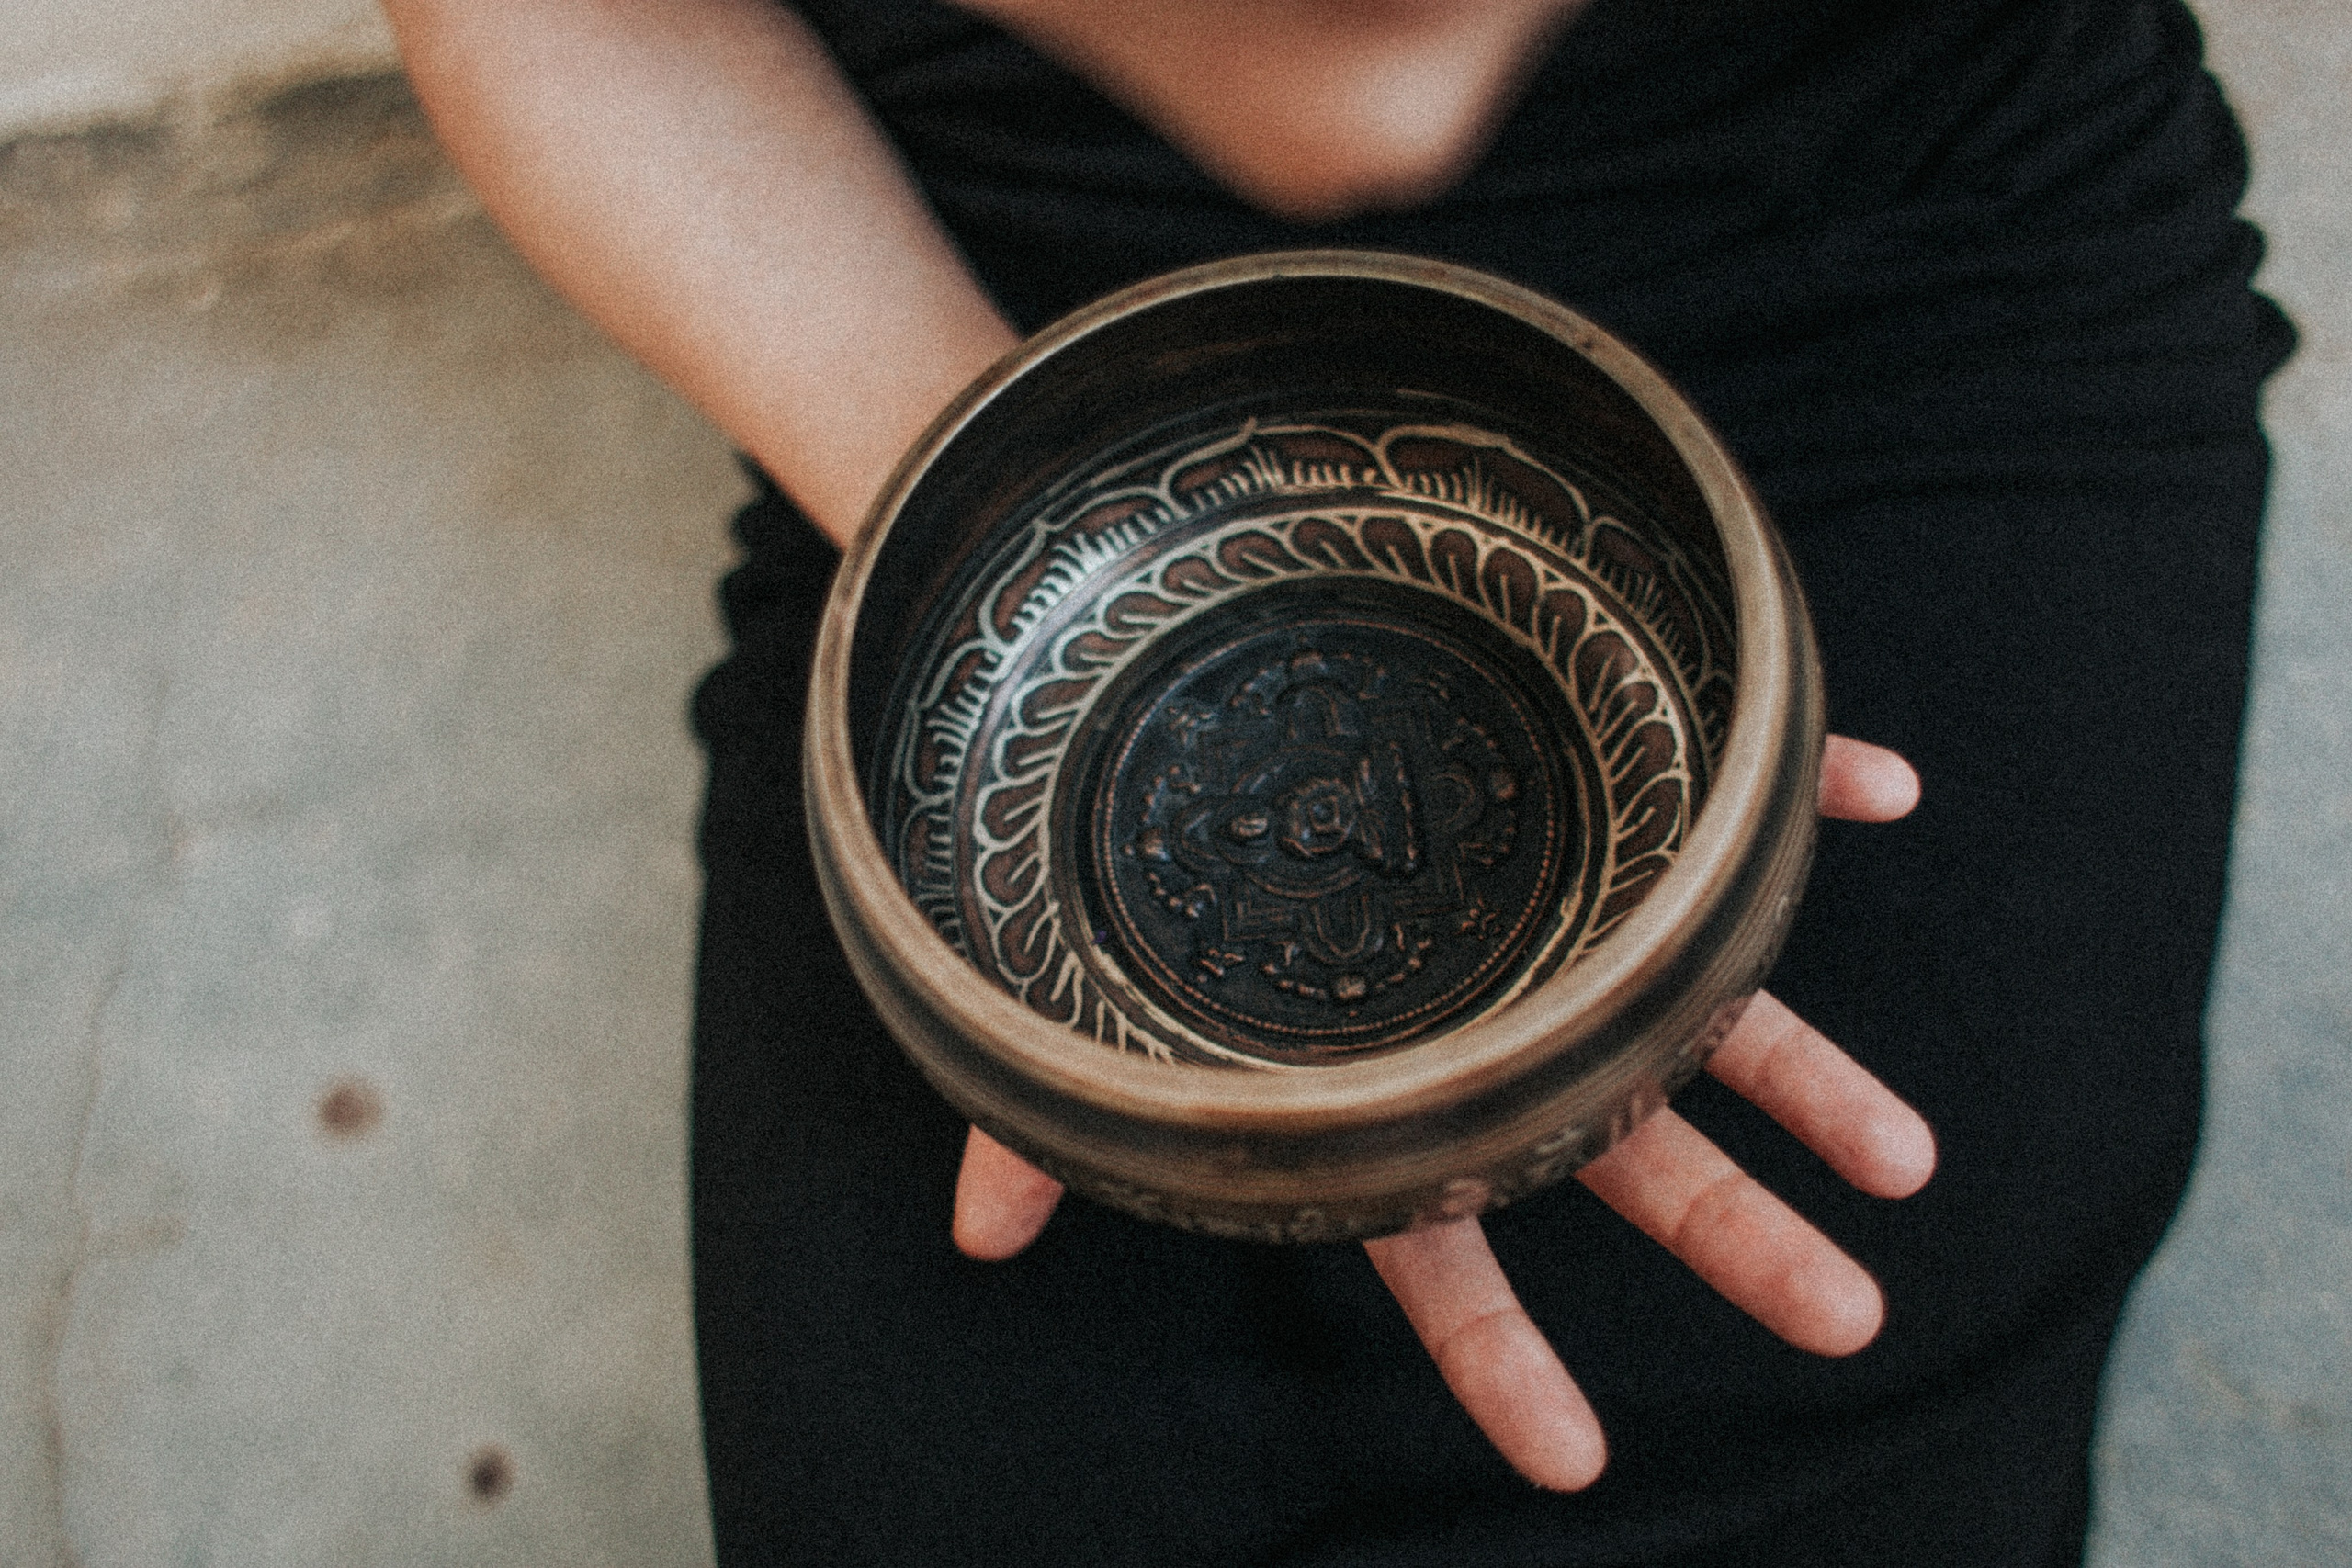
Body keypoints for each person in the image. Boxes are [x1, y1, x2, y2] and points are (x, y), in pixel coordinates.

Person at [380, 0, 2293, 1561]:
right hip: (954, 306)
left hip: (1880, 246)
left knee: (1834, 1438)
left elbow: (1367, 66)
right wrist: (1006, 507)